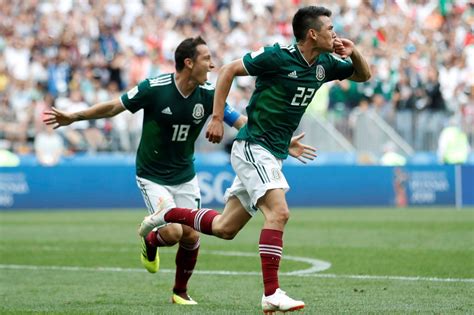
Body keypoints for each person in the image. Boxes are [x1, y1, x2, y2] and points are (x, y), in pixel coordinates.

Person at [44, 36, 316, 306]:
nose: (211, 65)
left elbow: (238, 121)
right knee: (173, 232)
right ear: (188, 62)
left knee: (192, 235)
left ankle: (180, 292)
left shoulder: (209, 94)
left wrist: (277, 140)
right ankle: (152, 240)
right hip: (152, 175)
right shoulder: (155, 88)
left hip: (185, 174)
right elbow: (116, 106)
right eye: (206, 59)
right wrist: (74, 117)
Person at [139, 6, 371, 313]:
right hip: (253, 146)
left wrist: (353, 53)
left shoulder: (325, 64)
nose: (335, 33)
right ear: (313, 33)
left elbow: (363, 75)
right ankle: (271, 292)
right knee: (279, 212)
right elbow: (228, 70)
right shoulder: (278, 56)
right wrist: (218, 117)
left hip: (273, 152)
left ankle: (168, 214)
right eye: (330, 28)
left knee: (225, 228)